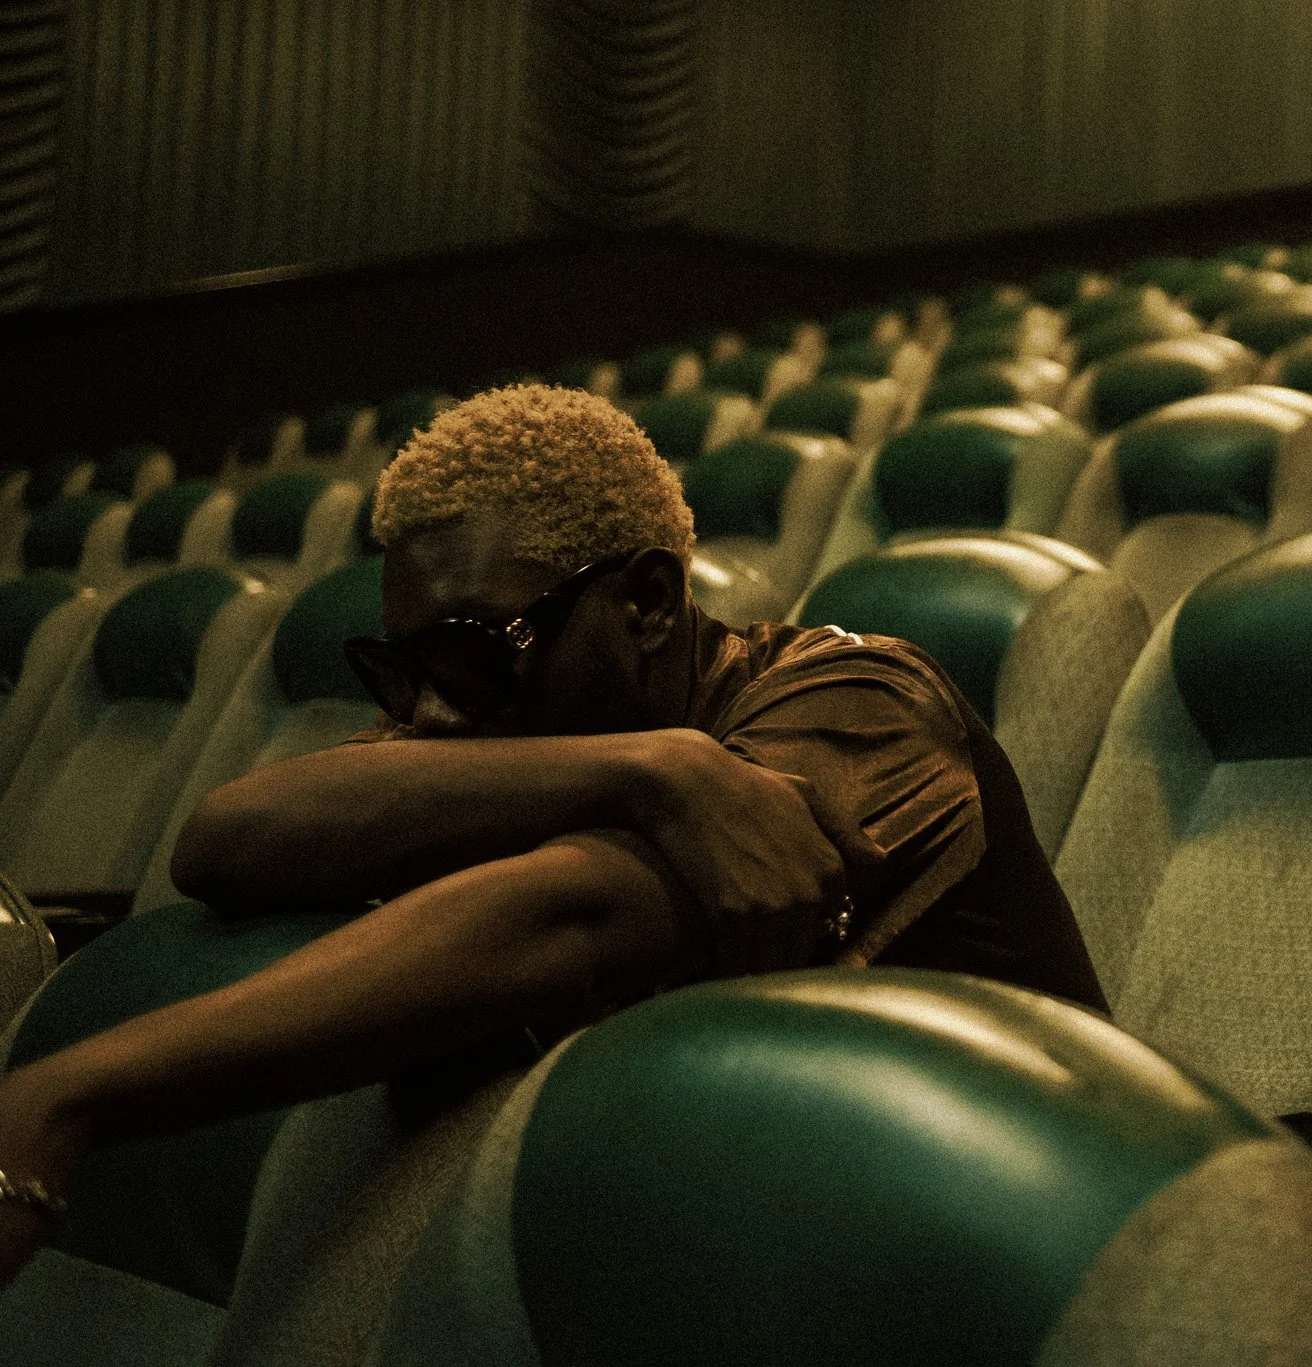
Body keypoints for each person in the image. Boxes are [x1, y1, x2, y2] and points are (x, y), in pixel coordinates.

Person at [0, 384, 1104, 1284]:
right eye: (404, 669)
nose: (428, 714)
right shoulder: (562, 737)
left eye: (478, 653)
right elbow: (227, 833)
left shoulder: (863, 704)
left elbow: (569, 913)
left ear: (650, 606)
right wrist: (647, 764)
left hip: (1045, 1256)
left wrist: (70, 1090)